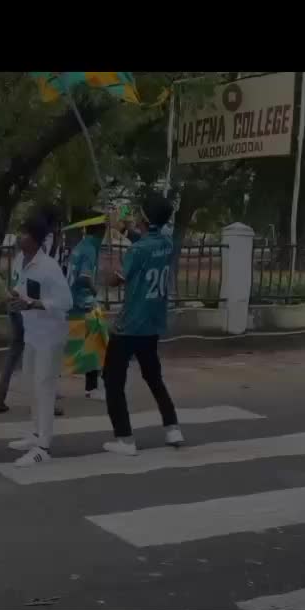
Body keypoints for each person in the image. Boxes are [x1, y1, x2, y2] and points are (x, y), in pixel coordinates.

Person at [102, 194, 184, 456]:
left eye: (139, 214)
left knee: (112, 380)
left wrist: (110, 267)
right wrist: (123, 228)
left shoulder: (136, 251)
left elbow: (115, 280)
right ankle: (172, 427)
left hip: (129, 326)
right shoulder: (167, 243)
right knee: (153, 376)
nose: (136, 217)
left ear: (145, 218)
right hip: (152, 324)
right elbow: (146, 241)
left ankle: (125, 439)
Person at [6, 208, 74, 467]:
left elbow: (66, 302)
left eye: (23, 233)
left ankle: (43, 447)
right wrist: (12, 298)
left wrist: (35, 304)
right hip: (32, 333)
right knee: (31, 384)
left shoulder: (49, 267)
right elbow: (19, 289)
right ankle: (36, 434)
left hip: (50, 335)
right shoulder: (18, 260)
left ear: (34, 239)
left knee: (44, 387)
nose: (18, 237)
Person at [0, 205, 64, 416]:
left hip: (20, 305)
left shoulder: (21, 254)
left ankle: (0, 397)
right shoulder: (45, 249)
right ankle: (48, 402)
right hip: (33, 310)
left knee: (16, 350)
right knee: (43, 355)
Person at [63, 210, 109, 400]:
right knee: (96, 344)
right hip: (85, 304)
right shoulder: (90, 249)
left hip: (73, 302)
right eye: (104, 230)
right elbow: (85, 276)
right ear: (99, 231)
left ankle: (49, 384)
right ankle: (92, 388)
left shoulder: (80, 246)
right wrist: (95, 291)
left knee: (72, 345)